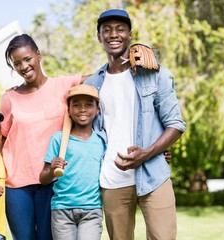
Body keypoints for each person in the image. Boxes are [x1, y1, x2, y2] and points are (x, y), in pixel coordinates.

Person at [0, 34, 89, 240]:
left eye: (28, 59)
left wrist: (128, 61)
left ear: (38, 55)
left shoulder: (63, 85)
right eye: (16, 63)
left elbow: (101, 77)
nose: (24, 66)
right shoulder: (9, 98)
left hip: (52, 180)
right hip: (16, 184)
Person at [84, 9, 186, 240]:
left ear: (130, 35)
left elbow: (176, 124)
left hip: (153, 175)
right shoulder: (93, 84)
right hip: (112, 178)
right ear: (99, 37)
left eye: (120, 29)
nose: (113, 34)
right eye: (106, 30)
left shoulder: (154, 74)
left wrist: (148, 153)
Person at [40, 84, 105, 240]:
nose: (82, 109)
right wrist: (52, 169)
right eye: (76, 105)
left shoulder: (102, 141)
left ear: (97, 110)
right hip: (62, 210)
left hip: (91, 209)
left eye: (89, 105)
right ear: (68, 110)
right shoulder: (58, 139)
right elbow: (43, 178)